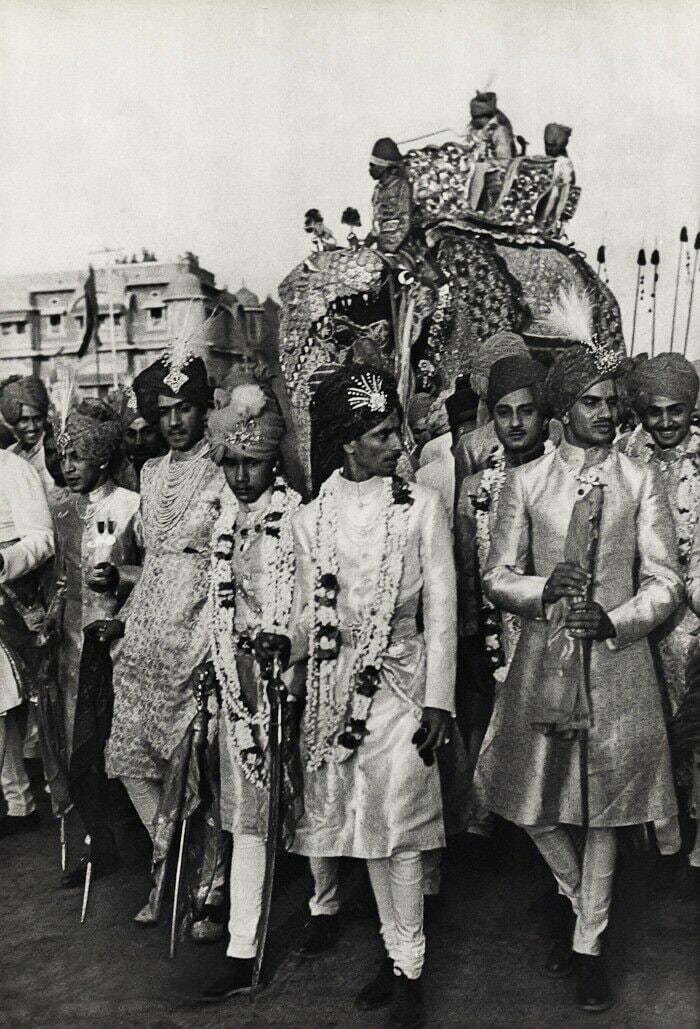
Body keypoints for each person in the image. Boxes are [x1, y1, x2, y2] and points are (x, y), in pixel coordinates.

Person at [475, 305, 682, 1013]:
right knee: (531, 799)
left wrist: (618, 617)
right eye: (591, 402)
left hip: (618, 668)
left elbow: (667, 580)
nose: (606, 411)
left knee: (603, 811)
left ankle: (590, 942)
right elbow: (496, 575)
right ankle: (574, 896)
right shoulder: (527, 483)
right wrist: (542, 589)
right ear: (562, 408)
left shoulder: (639, 479)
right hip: (544, 663)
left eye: (612, 402)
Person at [274, 364, 456, 1028]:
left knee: (400, 829)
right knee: (366, 833)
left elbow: (441, 608)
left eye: (397, 430)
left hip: (404, 686)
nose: (398, 445)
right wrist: (279, 652)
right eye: (382, 433)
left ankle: (410, 971)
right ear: (348, 441)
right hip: (332, 692)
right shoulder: (307, 519)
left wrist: (439, 700)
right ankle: (395, 949)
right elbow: (303, 615)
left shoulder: (422, 508)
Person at [105, 351, 227, 923]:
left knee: (195, 758)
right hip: (147, 627)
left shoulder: (228, 466)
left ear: (205, 410)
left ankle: (209, 885)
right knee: (134, 757)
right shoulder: (150, 473)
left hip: (200, 623)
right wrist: (119, 583)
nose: (175, 422)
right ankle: (166, 865)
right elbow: (153, 560)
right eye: (166, 412)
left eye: (186, 409)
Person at [199, 381, 304, 1001]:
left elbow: (316, 604)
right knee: (247, 819)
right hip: (238, 687)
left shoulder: (296, 517)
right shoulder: (225, 516)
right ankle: (243, 948)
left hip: (292, 681)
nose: (241, 476)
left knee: (323, 809)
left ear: (275, 461)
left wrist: (287, 665)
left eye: (253, 463)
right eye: (231, 463)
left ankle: (331, 913)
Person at [44, 396, 140, 886]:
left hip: (116, 644)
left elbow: (154, 576)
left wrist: (120, 578)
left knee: (121, 750)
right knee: (78, 753)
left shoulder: (131, 506)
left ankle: (147, 847)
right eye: (64, 458)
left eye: (78, 457)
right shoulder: (61, 510)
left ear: (102, 456)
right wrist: (49, 617)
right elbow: (60, 580)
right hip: (69, 649)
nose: (69, 467)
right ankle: (100, 846)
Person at [454, 354, 548, 846]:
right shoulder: (475, 490)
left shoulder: (564, 480)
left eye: (526, 411)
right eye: (503, 412)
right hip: (495, 634)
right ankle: (489, 811)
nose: (514, 423)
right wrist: (473, 635)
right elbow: (467, 572)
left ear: (545, 415)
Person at [617, 353, 700, 863]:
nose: (666, 422)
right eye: (655, 412)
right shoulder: (626, 456)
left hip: (695, 618)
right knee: (645, 728)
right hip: (640, 614)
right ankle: (658, 830)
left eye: (677, 411)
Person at [0, 446, 54, 837]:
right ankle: (17, 799)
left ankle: (21, 801)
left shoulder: (12, 469)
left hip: (11, 599)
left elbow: (42, 539)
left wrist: (5, 560)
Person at [0, 374, 53, 492]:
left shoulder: (53, 452)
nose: (32, 427)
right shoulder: (11, 453)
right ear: (12, 420)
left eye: (37, 418)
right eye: (24, 420)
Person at [464, 91, 516, 210]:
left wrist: (486, 161)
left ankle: (471, 208)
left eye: (477, 118)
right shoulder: (475, 132)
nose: (474, 121)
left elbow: (505, 160)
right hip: (474, 166)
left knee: (479, 168)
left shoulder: (499, 131)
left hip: (495, 171)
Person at [368, 137, 414, 256]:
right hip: (382, 247)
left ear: (384, 166)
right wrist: (366, 244)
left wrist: (390, 248)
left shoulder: (401, 185)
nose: (371, 169)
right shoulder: (378, 189)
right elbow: (377, 222)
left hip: (402, 247)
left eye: (373, 165)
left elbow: (405, 221)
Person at [538, 123, 575, 232]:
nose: (549, 149)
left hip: (556, 197)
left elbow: (569, 185)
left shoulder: (564, 163)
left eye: (552, 146)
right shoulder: (549, 160)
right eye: (547, 145)